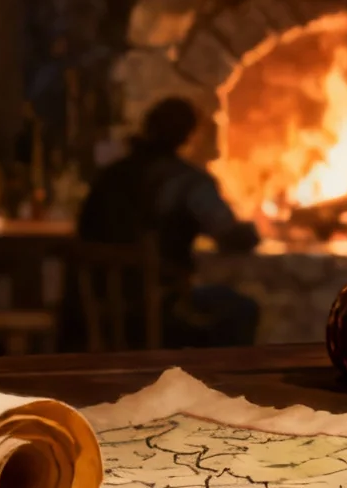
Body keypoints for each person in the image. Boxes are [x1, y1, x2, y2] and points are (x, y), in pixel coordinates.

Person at [78, 98, 262, 347]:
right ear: (188, 135)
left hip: (99, 312)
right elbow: (229, 235)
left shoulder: (110, 177)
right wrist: (253, 232)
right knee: (242, 310)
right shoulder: (187, 182)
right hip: (162, 311)